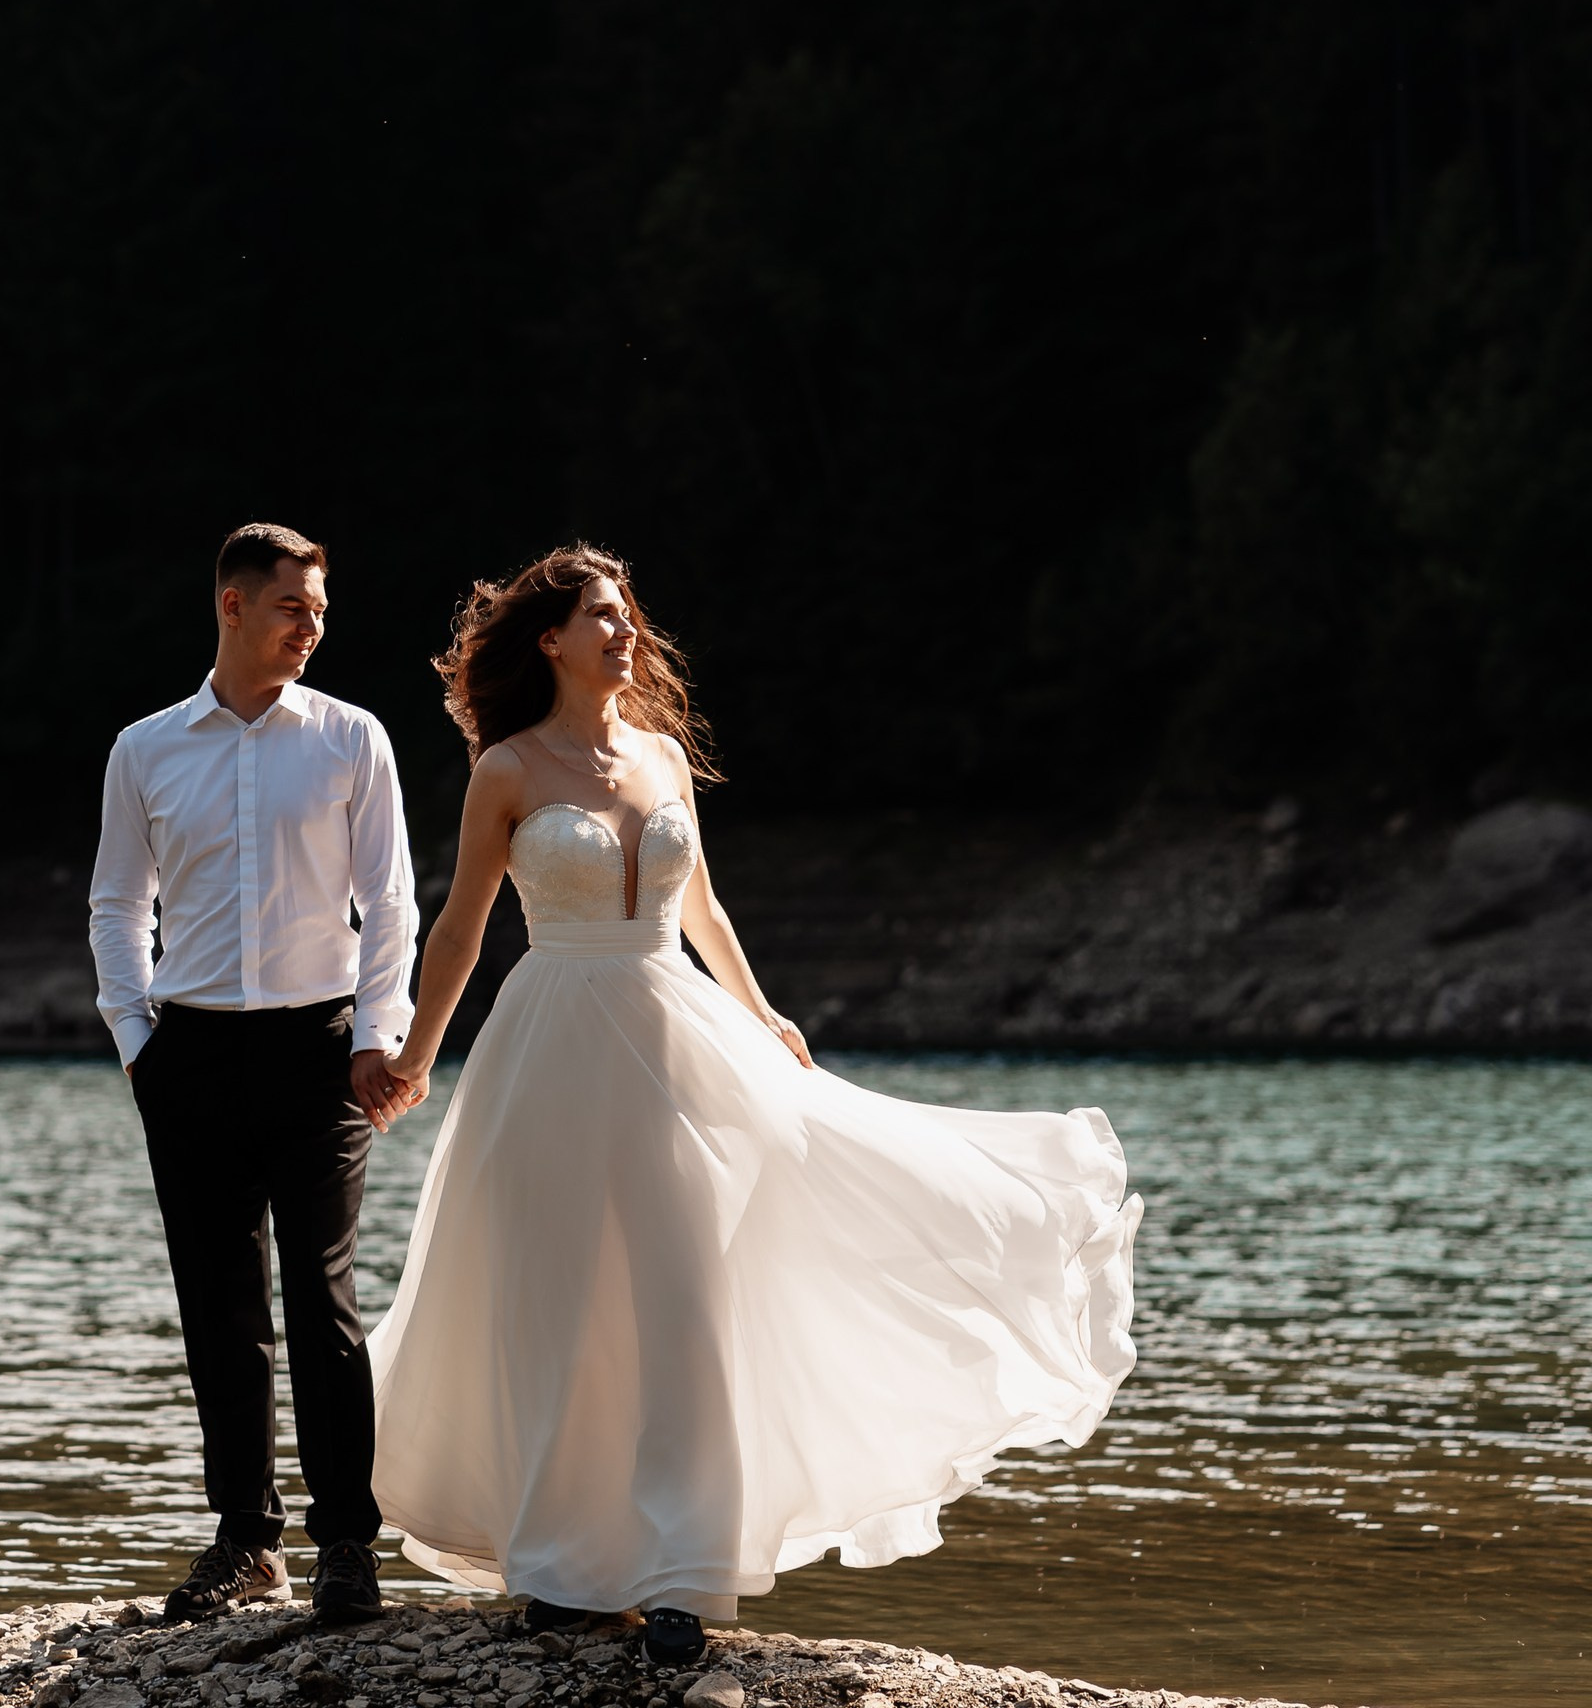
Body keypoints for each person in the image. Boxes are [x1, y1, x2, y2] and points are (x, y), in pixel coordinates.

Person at [368, 545, 1141, 1670]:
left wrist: (765, 1014)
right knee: (558, 1304)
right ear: (550, 638)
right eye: (599, 616)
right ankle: (557, 1568)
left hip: (675, 1035)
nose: (623, 632)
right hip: (551, 1045)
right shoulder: (509, 769)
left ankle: (680, 1572)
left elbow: (704, 910)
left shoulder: (664, 755)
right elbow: (460, 928)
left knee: (684, 1299)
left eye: (627, 614)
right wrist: (414, 1055)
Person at [90, 522, 421, 1628]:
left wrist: (380, 1032)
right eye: (293, 608)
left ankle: (346, 1548)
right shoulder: (144, 747)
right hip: (185, 1050)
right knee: (217, 1311)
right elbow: (115, 904)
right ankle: (244, 1539)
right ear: (232, 605)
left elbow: (391, 905)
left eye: (320, 610)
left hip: (318, 1050)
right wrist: (136, 1036)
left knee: (322, 1304)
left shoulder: (350, 738)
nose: (312, 627)